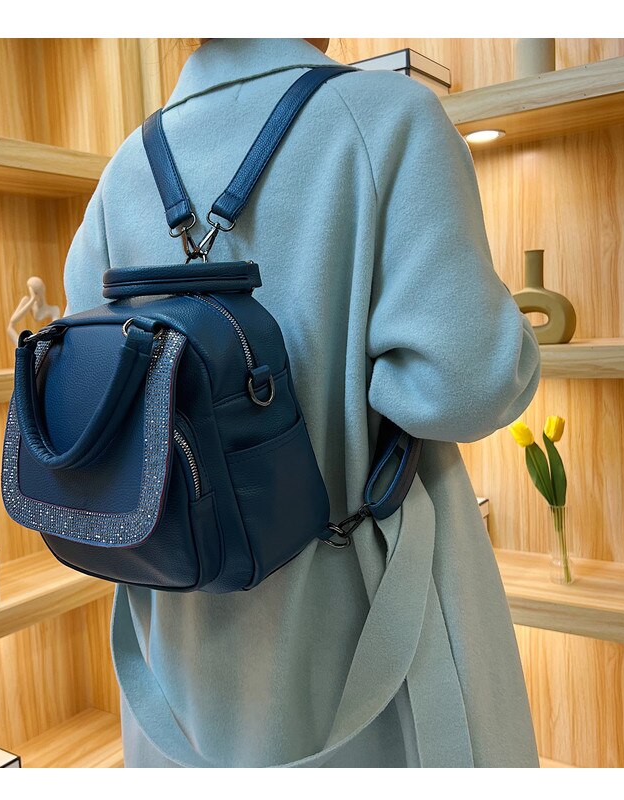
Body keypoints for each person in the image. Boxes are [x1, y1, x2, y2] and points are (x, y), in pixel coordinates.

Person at [62, 37, 542, 768]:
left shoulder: (123, 170)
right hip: (368, 631)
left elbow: (101, 409)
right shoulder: (390, 118)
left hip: (176, 655)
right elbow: (464, 386)